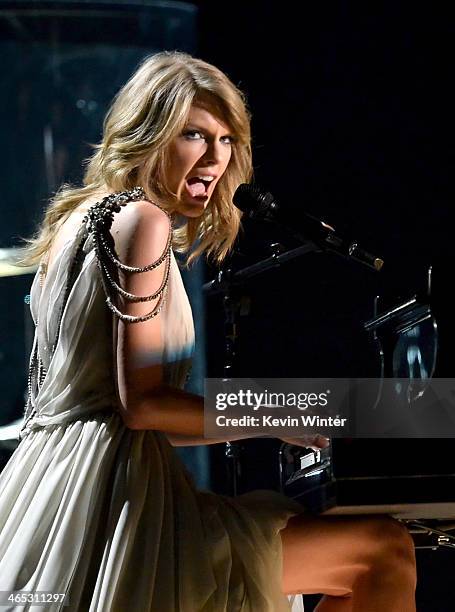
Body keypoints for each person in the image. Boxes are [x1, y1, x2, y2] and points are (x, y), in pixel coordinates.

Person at [0, 51, 416, 611]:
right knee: (383, 549)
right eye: (193, 135)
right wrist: (283, 415)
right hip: (119, 505)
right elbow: (141, 407)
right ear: (148, 133)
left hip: (58, 491)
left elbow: (108, 410)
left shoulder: (78, 222)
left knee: (372, 552)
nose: (214, 160)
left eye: (225, 141)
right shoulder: (142, 221)